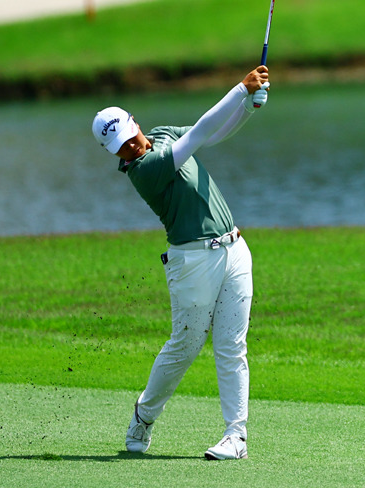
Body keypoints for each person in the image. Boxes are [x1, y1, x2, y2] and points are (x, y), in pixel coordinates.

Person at [91, 65, 270, 461]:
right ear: (113, 154)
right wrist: (241, 89)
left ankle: (236, 437)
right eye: (119, 147)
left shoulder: (163, 136)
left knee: (231, 346)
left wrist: (249, 107)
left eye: (129, 137)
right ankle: (143, 416)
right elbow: (200, 133)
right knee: (184, 346)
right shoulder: (144, 171)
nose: (130, 147)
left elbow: (217, 133)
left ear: (135, 122)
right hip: (192, 262)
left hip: (234, 249)